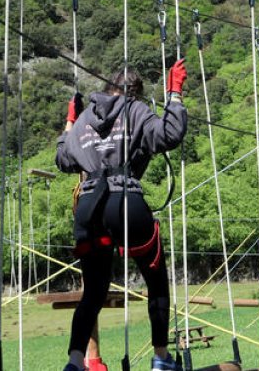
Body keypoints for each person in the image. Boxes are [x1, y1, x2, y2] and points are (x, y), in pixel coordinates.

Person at [56, 61, 188, 371]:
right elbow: (169, 134)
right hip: (125, 201)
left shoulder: (85, 118)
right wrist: (175, 94)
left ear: (106, 87)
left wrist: (70, 121)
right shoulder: (135, 109)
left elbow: (63, 159)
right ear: (135, 92)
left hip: (89, 209)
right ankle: (161, 358)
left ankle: (75, 362)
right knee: (155, 281)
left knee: (94, 291)